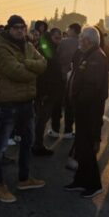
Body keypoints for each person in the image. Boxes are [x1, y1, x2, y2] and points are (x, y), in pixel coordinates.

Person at [0, 15, 47, 203]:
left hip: (27, 102)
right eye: (16, 28)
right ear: (9, 29)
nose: (21, 31)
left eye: (23, 27)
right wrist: (32, 71)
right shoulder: (2, 47)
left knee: (27, 141)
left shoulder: (28, 45)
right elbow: (14, 71)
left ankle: (24, 179)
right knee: (0, 145)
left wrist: (27, 64)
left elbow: (43, 63)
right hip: (9, 103)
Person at [64, 27, 109, 198]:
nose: (79, 40)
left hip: (89, 110)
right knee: (82, 146)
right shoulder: (87, 54)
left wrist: (77, 100)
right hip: (83, 109)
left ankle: (93, 184)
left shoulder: (96, 58)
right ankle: (80, 180)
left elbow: (92, 88)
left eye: (82, 37)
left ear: (88, 40)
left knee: (87, 147)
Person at [33, 27, 62, 156]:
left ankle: (36, 144)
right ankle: (37, 145)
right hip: (46, 92)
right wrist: (44, 93)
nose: (59, 41)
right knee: (41, 119)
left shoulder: (49, 50)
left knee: (41, 119)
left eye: (60, 38)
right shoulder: (46, 52)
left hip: (49, 91)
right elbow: (45, 74)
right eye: (57, 38)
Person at [57, 23, 81, 139]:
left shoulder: (63, 42)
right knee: (72, 104)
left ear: (72, 30)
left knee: (62, 103)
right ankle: (69, 130)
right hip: (76, 77)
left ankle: (59, 129)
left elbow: (58, 56)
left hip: (62, 75)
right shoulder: (82, 43)